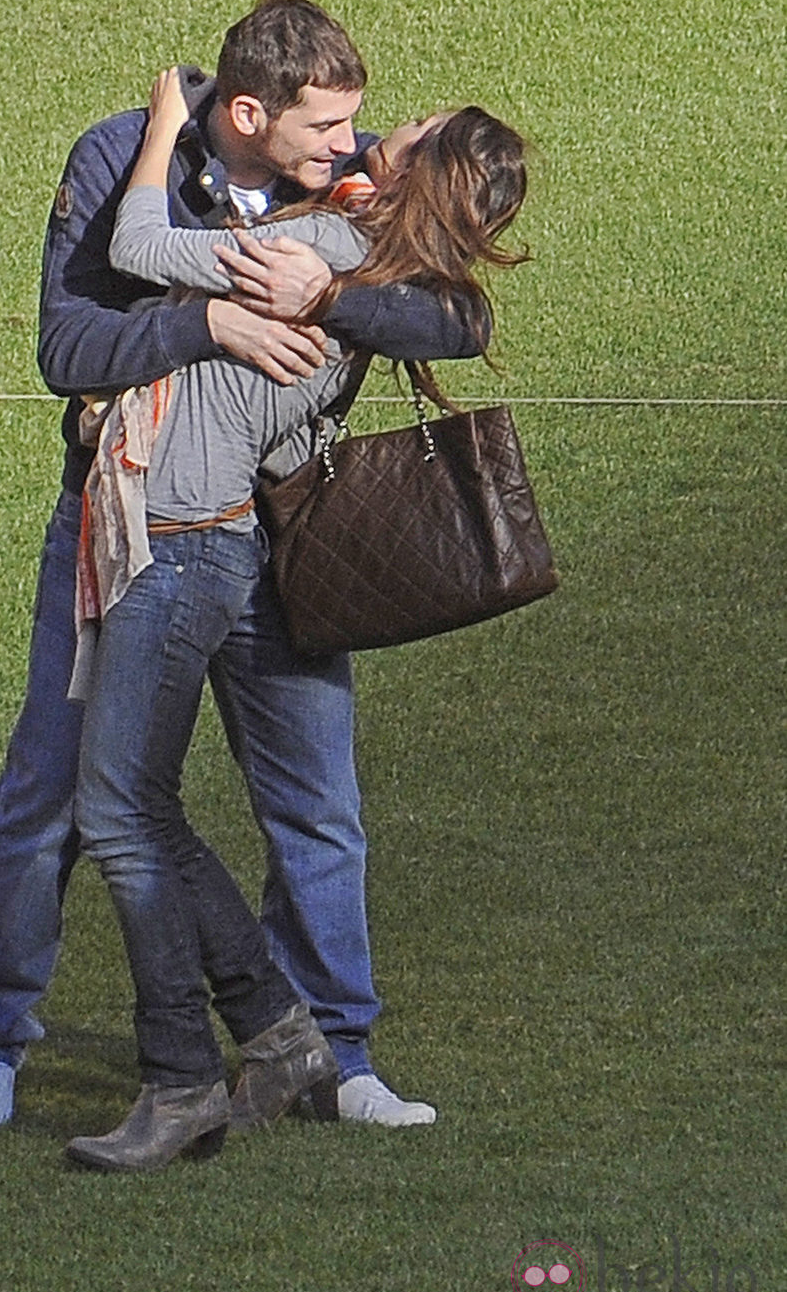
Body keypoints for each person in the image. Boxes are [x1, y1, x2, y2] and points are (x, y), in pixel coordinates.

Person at [0, 0, 484, 1136]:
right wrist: (211, 323)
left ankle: (332, 1052)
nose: (348, 138)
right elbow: (65, 346)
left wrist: (327, 294)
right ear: (248, 111)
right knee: (51, 795)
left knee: (316, 806)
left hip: (285, 542)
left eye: (355, 122)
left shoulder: (344, 193)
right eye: (326, 123)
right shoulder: (115, 158)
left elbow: (457, 321)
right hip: (131, 527)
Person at [60, 74, 528, 1170]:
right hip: (221, 538)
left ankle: (215, 1067)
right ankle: (282, 1043)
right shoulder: (367, 259)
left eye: (398, 132)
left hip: (190, 546)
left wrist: (168, 120)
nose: (376, 133)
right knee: (132, 805)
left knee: (132, 811)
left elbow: (136, 242)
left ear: (408, 170)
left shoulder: (314, 247)